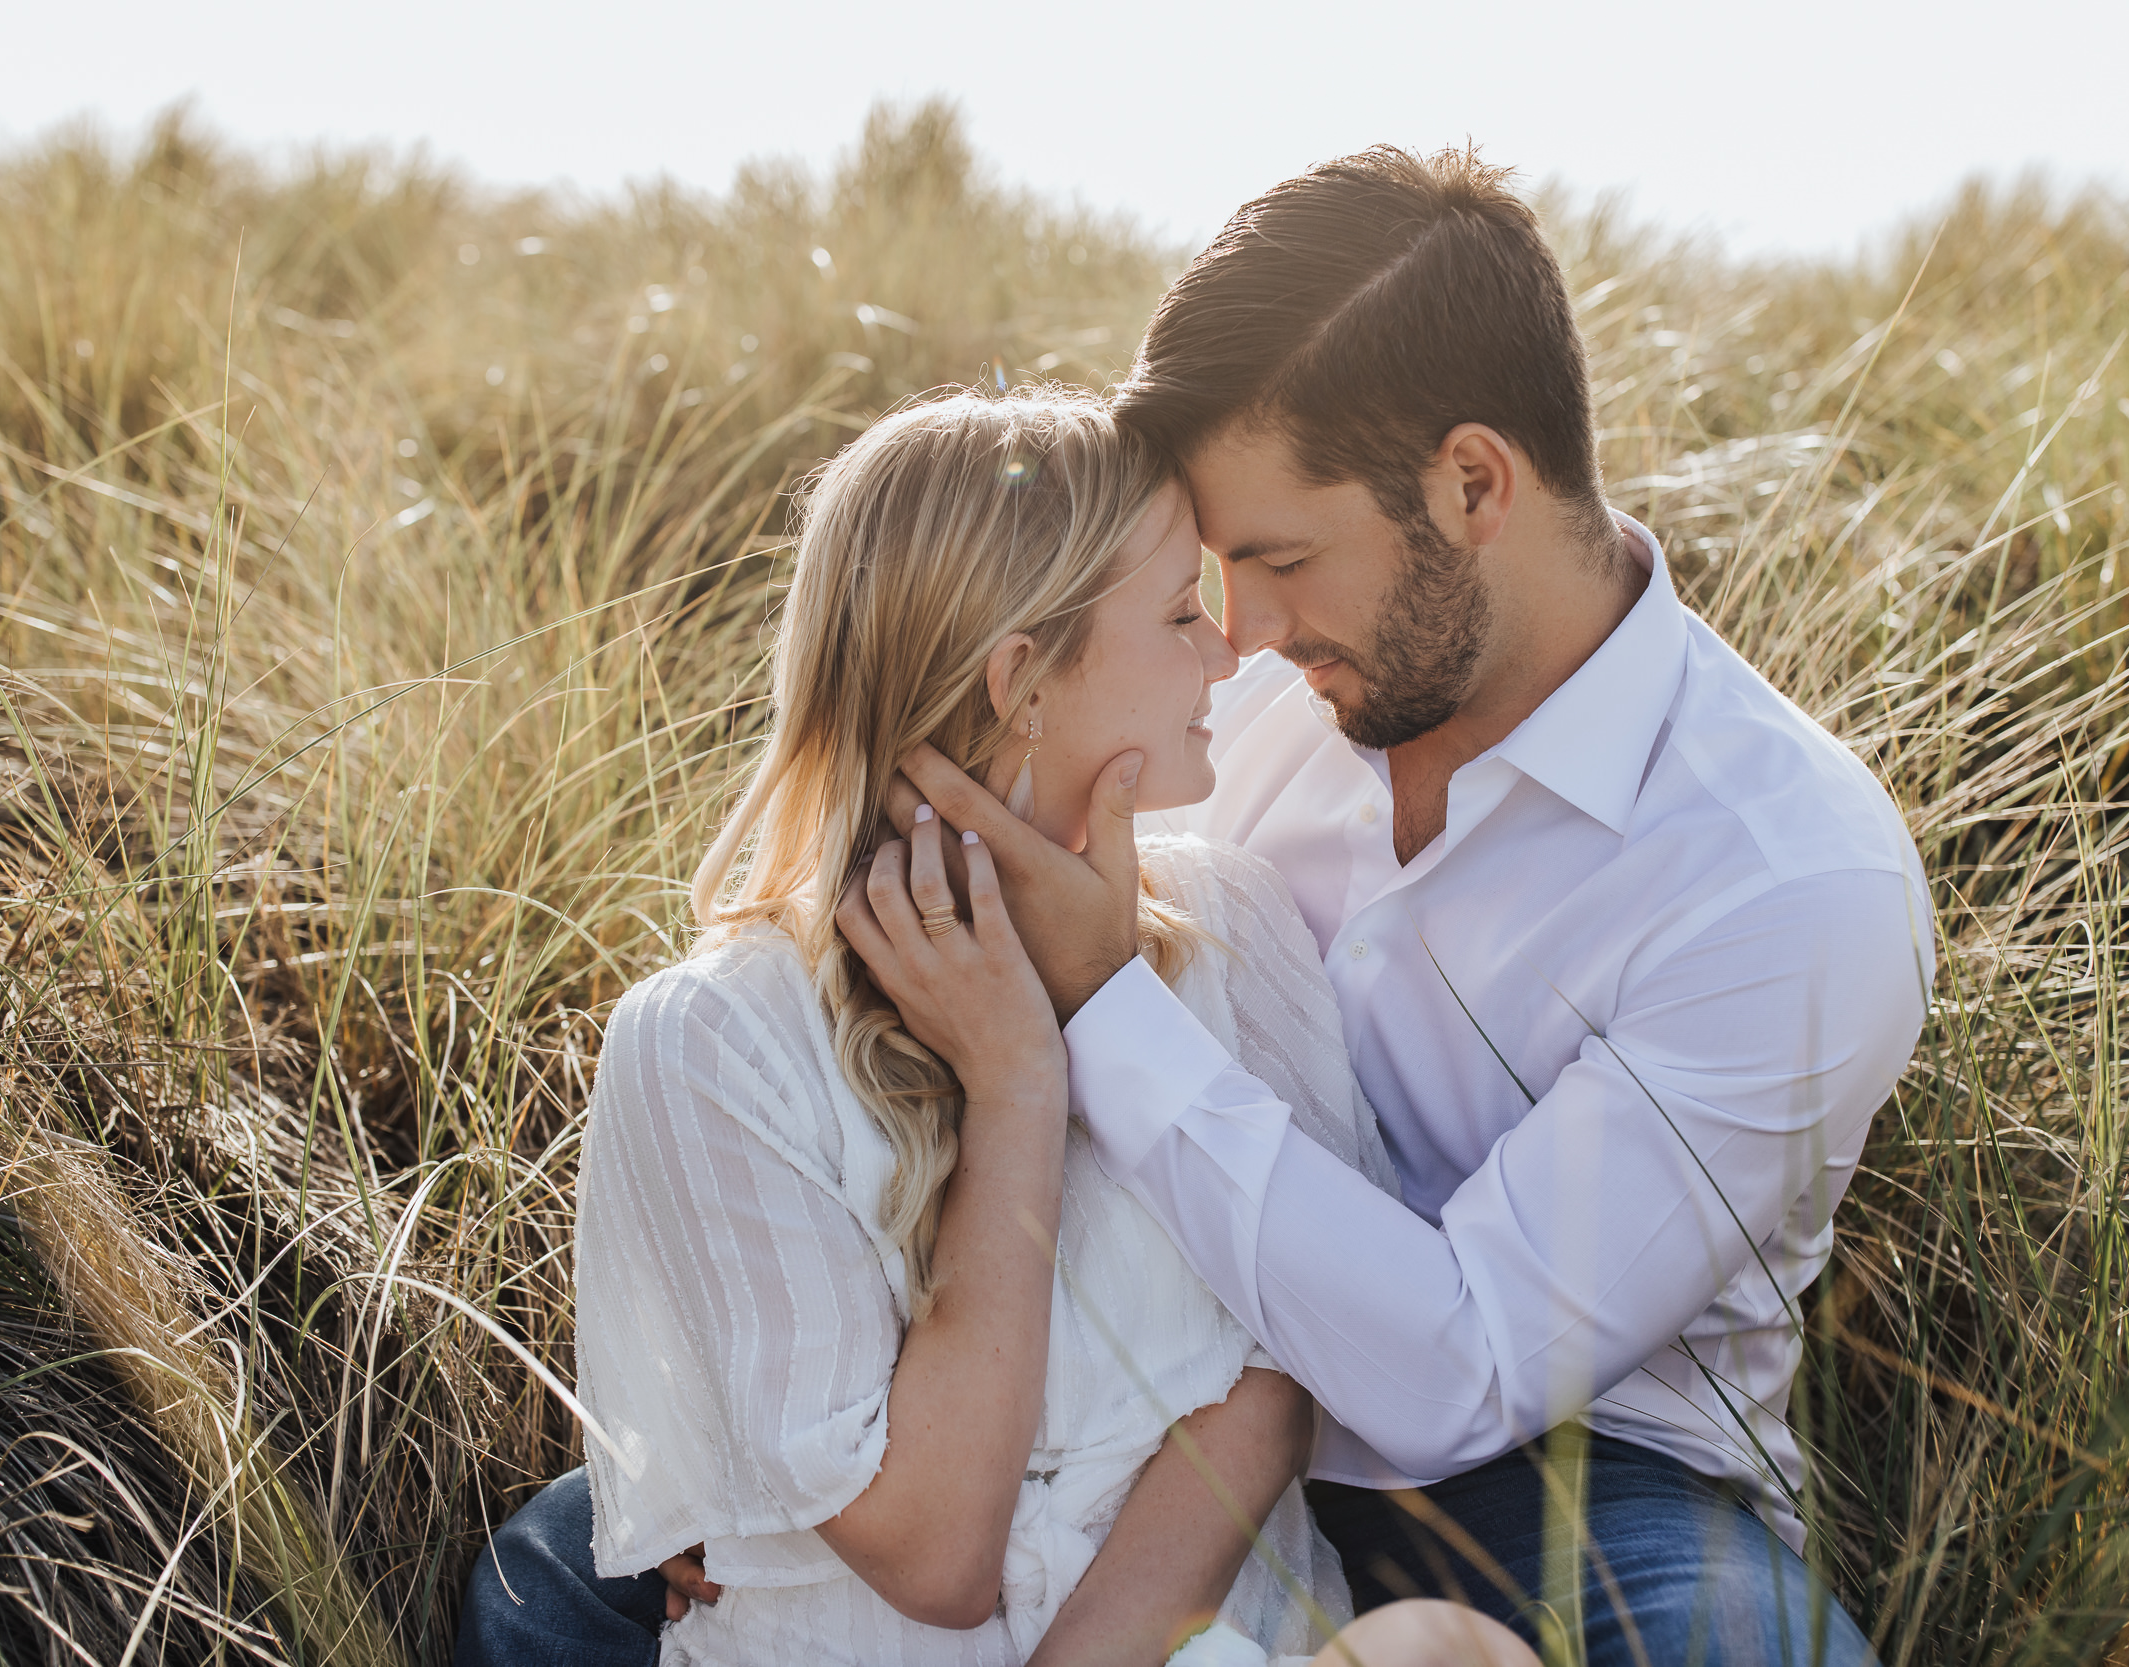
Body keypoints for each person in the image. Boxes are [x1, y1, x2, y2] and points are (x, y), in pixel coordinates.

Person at [855, 148, 1935, 1665]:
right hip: (1151, 1373)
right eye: (1217, 574)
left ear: (1475, 482)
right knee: (572, 1564)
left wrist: (1106, 999)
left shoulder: (1786, 878)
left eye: (1281, 561)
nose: (1241, 633)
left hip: (1558, 1470)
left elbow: (1462, 1367)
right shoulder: (1259, 699)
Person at [456, 389, 1534, 1667]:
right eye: (1180, 614)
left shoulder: (1230, 921)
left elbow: (1279, 1376)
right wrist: (1019, 1081)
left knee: (1451, 1651)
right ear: (1021, 681)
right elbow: (935, 1554)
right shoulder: (712, 1039)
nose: (1225, 653)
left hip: (1180, 1644)